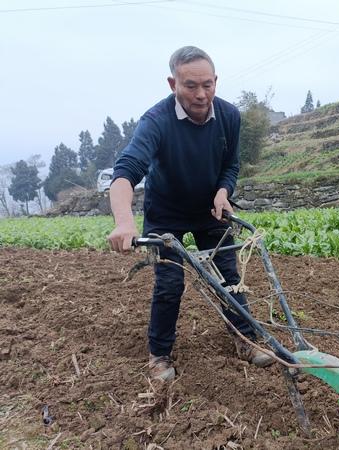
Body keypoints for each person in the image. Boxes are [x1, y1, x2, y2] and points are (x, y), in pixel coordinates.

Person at [107, 46, 273, 382]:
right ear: (173, 84)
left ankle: (245, 339)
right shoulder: (156, 122)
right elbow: (126, 171)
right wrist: (124, 221)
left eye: (207, 85)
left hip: (209, 209)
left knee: (229, 277)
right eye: (190, 86)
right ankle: (159, 354)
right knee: (170, 284)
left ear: (216, 82)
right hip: (165, 212)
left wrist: (224, 192)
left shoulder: (229, 116)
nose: (201, 95)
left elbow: (231, 165)